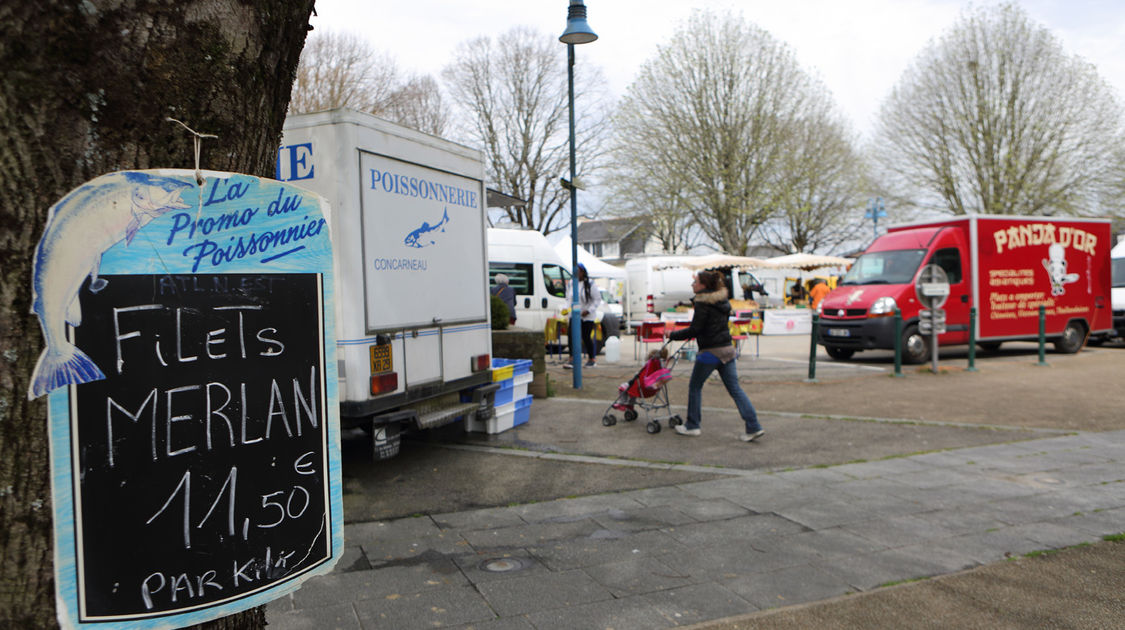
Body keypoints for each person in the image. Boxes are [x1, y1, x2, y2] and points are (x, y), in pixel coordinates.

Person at [667, 270, 764, 442]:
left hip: (710, 352)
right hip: (727, 349)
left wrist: (672, 335)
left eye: (695, 282)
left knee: (695, 387)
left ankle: (692, 425)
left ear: (704, 285)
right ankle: (753, 426)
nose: (692, 285)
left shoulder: (703, 304)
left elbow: (695, 329)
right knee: (735, 389)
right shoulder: (722, 302)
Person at [564, 263, 602, 368]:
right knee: (571, 335)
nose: (577, 274)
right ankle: (572, 359)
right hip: (574, 314)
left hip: (587, 316)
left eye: (579, 271)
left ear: (583, 272)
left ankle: (592, 359)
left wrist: (589, 310)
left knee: (586, 337)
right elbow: (568, 298)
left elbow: (597, 299)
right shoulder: (571, 283)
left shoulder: (590, 283)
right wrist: (565, 308)